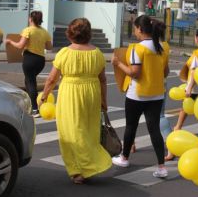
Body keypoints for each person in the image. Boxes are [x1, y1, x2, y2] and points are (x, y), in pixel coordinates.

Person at [38, 18, 111, 184]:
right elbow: (103, 80)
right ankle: (89, 165)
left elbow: (51, 79)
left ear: (70, 35)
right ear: (89, 34)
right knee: (88, 130)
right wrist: (103, 100)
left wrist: (43, 97)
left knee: (70, 132)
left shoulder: (65, 53)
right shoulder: (97, 53)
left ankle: (78, 170)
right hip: (92, 93)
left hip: (70, 92)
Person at [111, 15, 169, 178]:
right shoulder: (162, 47)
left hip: (137, 95)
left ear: (140, 29)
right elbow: (166, 72)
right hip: (156, 95)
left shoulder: (138, 48)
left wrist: (118, 64)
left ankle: (124, 157)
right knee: (154, 130)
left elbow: (134, 73)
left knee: (131, 127)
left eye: (136, 28)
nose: (135, 31)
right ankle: (162, 166)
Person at [5, 11, 52, 118]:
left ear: (30, 19)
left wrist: (10, 42)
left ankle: (35, 109)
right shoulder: (44, 31)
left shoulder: (28, 30)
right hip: (41, 60)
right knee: (28, 80)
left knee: (31, 82)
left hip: (30, 59)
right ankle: (30, 104)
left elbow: (20, 46)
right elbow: (49, 47)